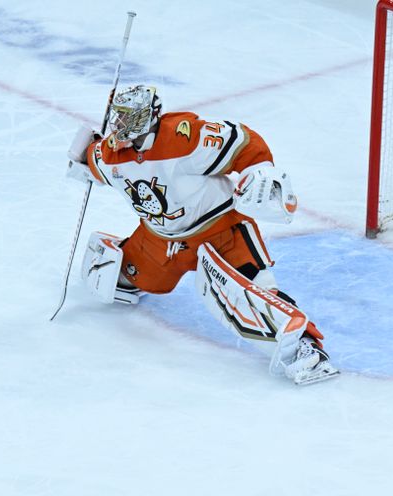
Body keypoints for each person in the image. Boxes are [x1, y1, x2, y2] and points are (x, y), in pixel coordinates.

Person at [66, 85, 338, 385]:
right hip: (159, 241)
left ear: (148, 118)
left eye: (126, 117)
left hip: (219, 230)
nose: (117, 125)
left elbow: (244, 143)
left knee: (253, 294)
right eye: (116, 116)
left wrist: (258, 172)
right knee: (117, 279)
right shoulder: (111, 155)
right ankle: (132, 268)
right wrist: (83, 156)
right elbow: (92, 159)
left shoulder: (185, 138)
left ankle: (305, 347)